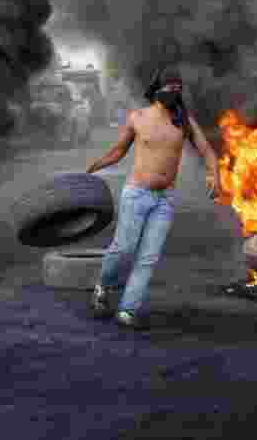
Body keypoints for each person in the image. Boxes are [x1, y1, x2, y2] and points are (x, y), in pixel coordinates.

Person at [85, 67, 219, 328]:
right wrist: (96, 165)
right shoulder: (138, 117)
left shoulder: (184, 121)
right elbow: (118, 151)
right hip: (136, 195)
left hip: (165, 200)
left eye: (179, 88)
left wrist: (215, 174)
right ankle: (102, 287)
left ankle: (127, 310)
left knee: (148, 258)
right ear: (157, 90)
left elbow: (206, 151)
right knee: (123, 249)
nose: (175, 92)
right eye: (170, 87)